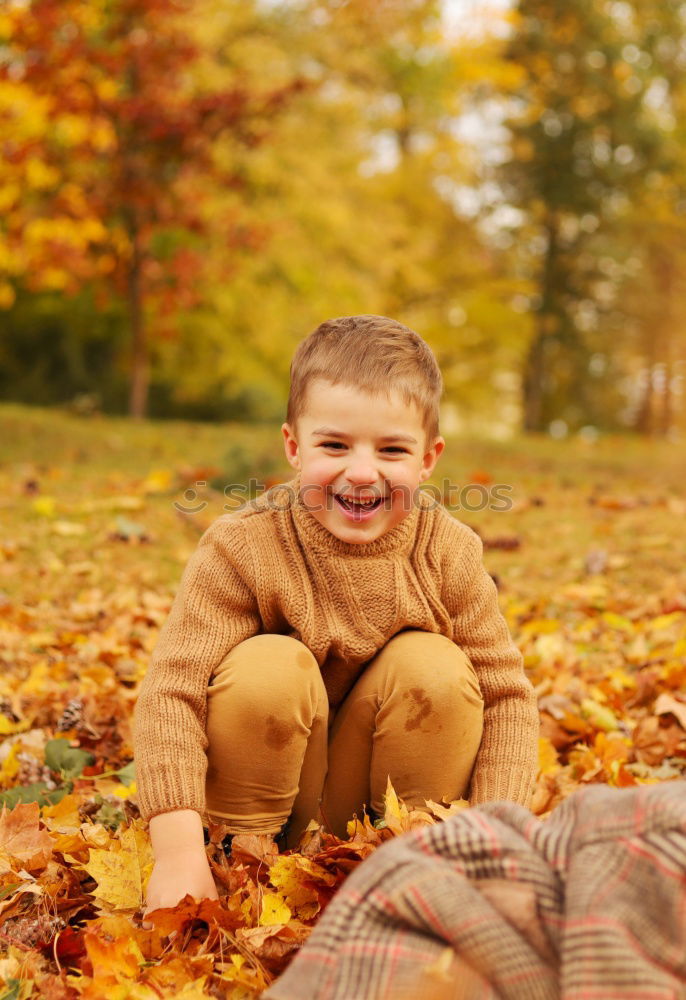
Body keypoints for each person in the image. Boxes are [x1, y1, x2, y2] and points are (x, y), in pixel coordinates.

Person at [133, 314, 539, 916]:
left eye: (392, 449)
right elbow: (172, 691)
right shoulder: (243, 547)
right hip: (254, 796)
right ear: (294, 446)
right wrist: (176, 853)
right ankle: (233, 859)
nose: (361, 471)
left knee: (435, 667)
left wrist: (496, 843)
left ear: (428, 459)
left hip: (372, 796)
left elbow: (507, 699)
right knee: (272, 663)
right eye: (335, 445)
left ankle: (418, 863)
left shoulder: (446, 552)